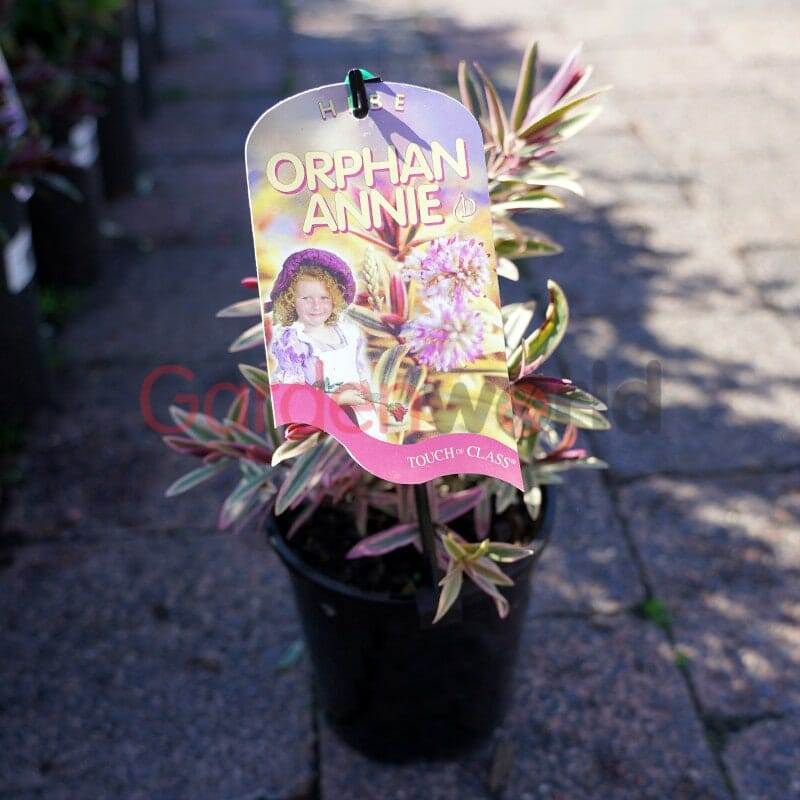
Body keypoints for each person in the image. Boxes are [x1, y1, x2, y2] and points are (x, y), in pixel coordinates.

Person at [266, 248, 379, 433]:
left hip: (364, 420)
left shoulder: (350, 334)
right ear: (291, 300)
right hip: (324, 427)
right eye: (306, 298)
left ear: (335, 299)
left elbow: (361, 375)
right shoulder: (294, 342)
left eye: (324, 297)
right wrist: (339, 399)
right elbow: (293, 399)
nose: (316, 305)